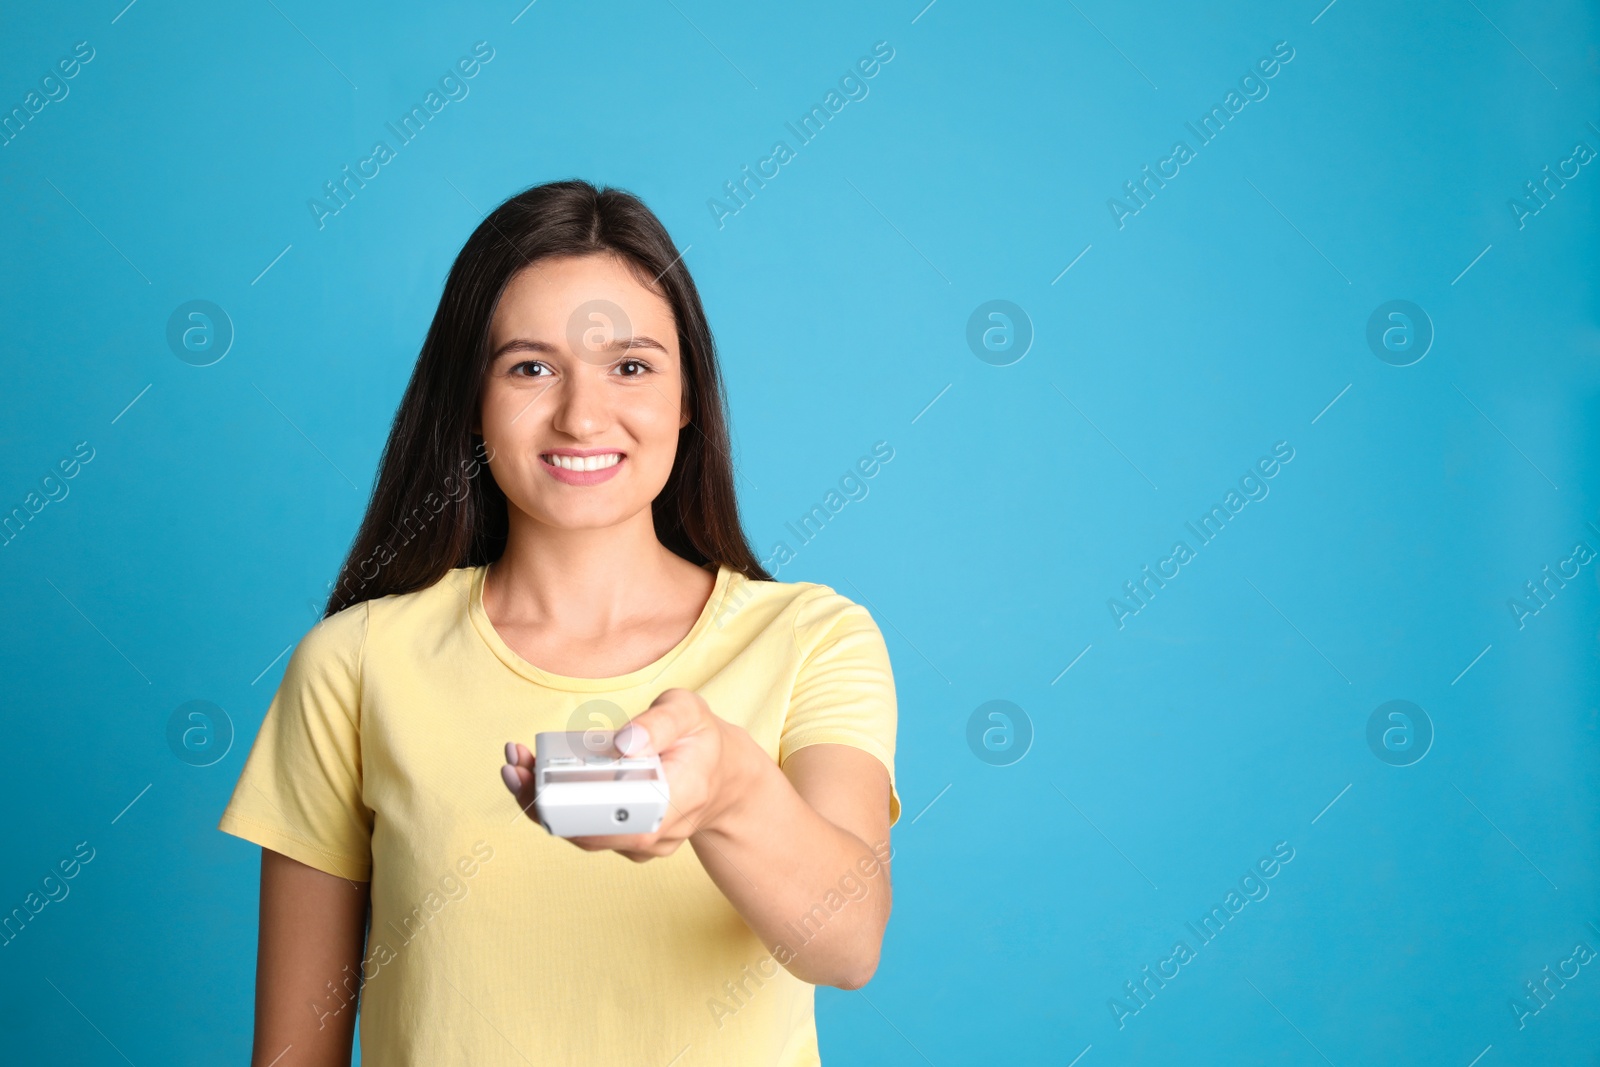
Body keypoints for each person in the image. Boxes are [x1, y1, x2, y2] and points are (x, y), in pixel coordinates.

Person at [216, 178, 901, 1066]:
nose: (581, 415)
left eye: (632, 365)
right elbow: (293, 1054)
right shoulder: (353, 664)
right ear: (470, 400)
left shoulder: (815, 639)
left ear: (688, 397)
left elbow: (846, 945)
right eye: (530, 367)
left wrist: (729, 790)